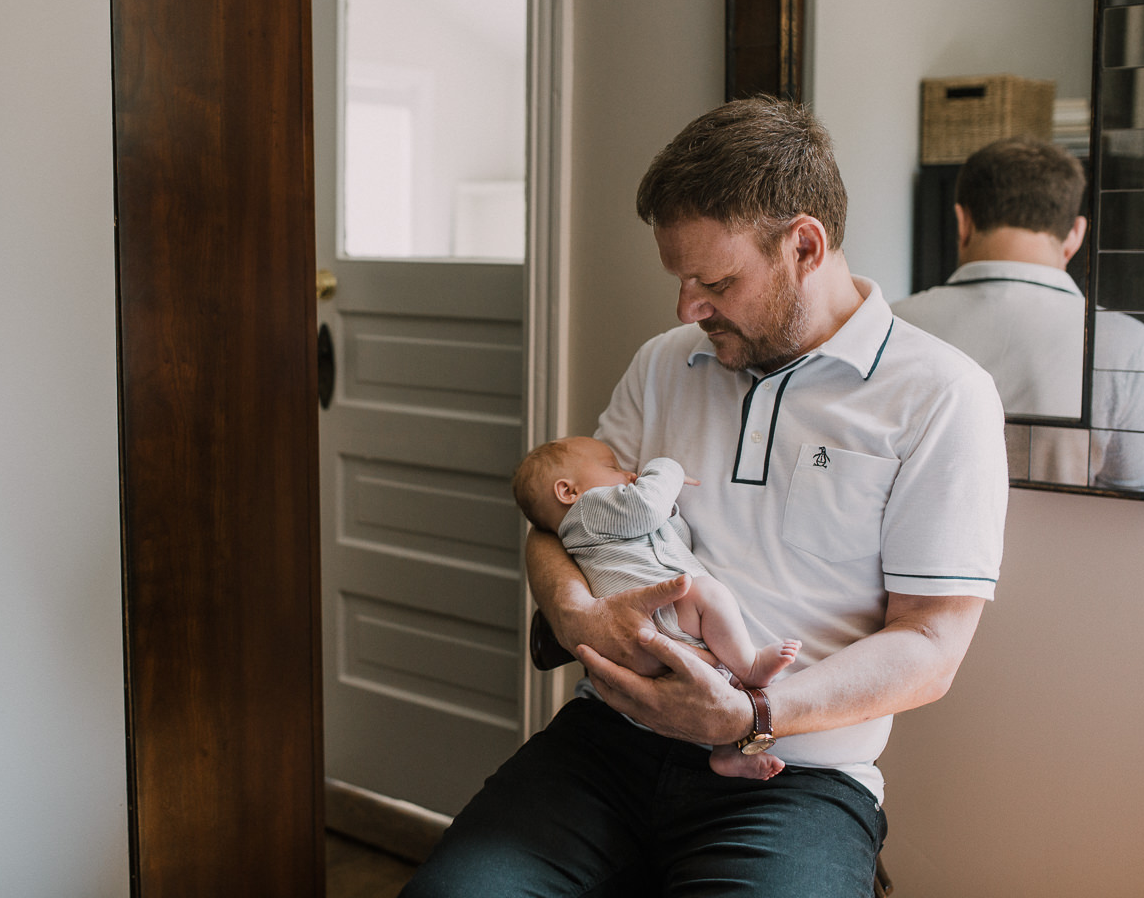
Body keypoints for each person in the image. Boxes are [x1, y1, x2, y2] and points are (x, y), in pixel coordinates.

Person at [400, 96, 1008, 898]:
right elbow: (562, 522)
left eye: (714, 281)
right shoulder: (665, 363)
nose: (688, 309)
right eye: (681, 280)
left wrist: (750, 716)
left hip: (793, 775)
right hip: (605, 747)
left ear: (805, 245)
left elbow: (930, 649)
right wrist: (574, 613)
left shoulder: (940, 396)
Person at [512, 436, 802, 780]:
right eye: (612, 468)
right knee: (710, 593)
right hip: (659, 617)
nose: (629, 474)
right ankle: (751, 664)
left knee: (710, 688)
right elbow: (647, 508)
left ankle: (726, 751)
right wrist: (668, 469)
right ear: (568, 492)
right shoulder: (588, 512)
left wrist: (668, 511)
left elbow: (674, 537)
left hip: (655, 628)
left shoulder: (607, 524)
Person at [892, 136, 1144, 489]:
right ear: (1075, 234)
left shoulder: (889, 326)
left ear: (962, 222)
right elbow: (1131, 501)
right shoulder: (1131, 345)